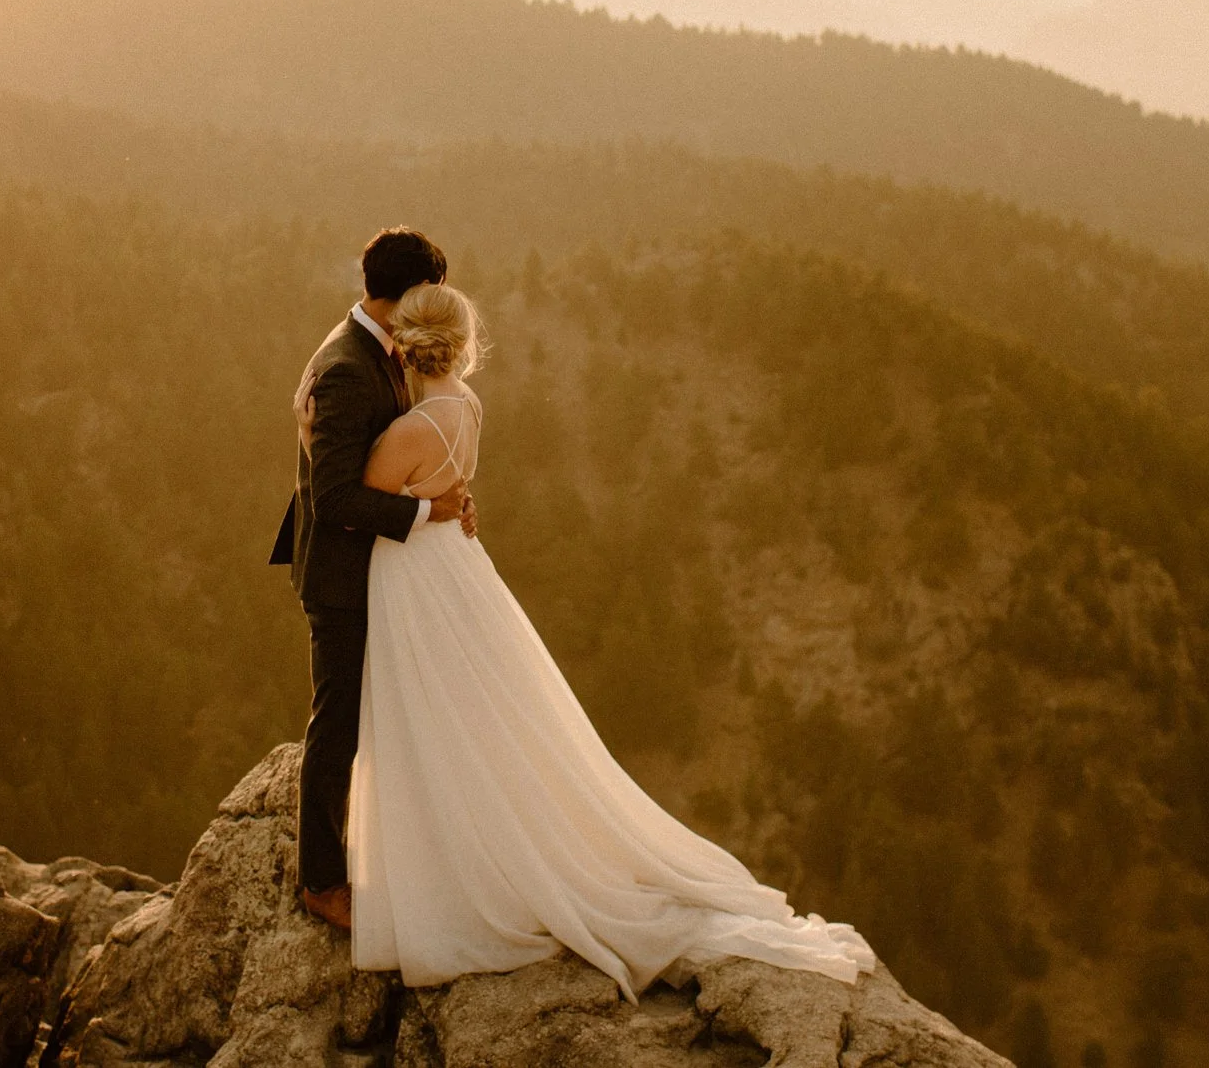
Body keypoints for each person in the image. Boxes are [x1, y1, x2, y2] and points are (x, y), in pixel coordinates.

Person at [331, 275, 878, 997]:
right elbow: (445, 488)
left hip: (416, 579)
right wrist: (446, 503)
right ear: (461, 345)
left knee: (426, 712)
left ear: (404, 345)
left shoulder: (407, 431)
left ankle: (447, 858)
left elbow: (355, 505)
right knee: (474, 712)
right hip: (458, 569)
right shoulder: (466, 407)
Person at [270, 227, 473, 933]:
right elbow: (333, 498)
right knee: (339, 725)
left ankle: (373, 853)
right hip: (341, 575)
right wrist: (425, 510)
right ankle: (322, 881)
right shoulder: (348, 365)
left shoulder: (378, 346)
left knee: (372, 717)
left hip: (375, 570)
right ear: (410, 291)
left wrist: (442, 495)